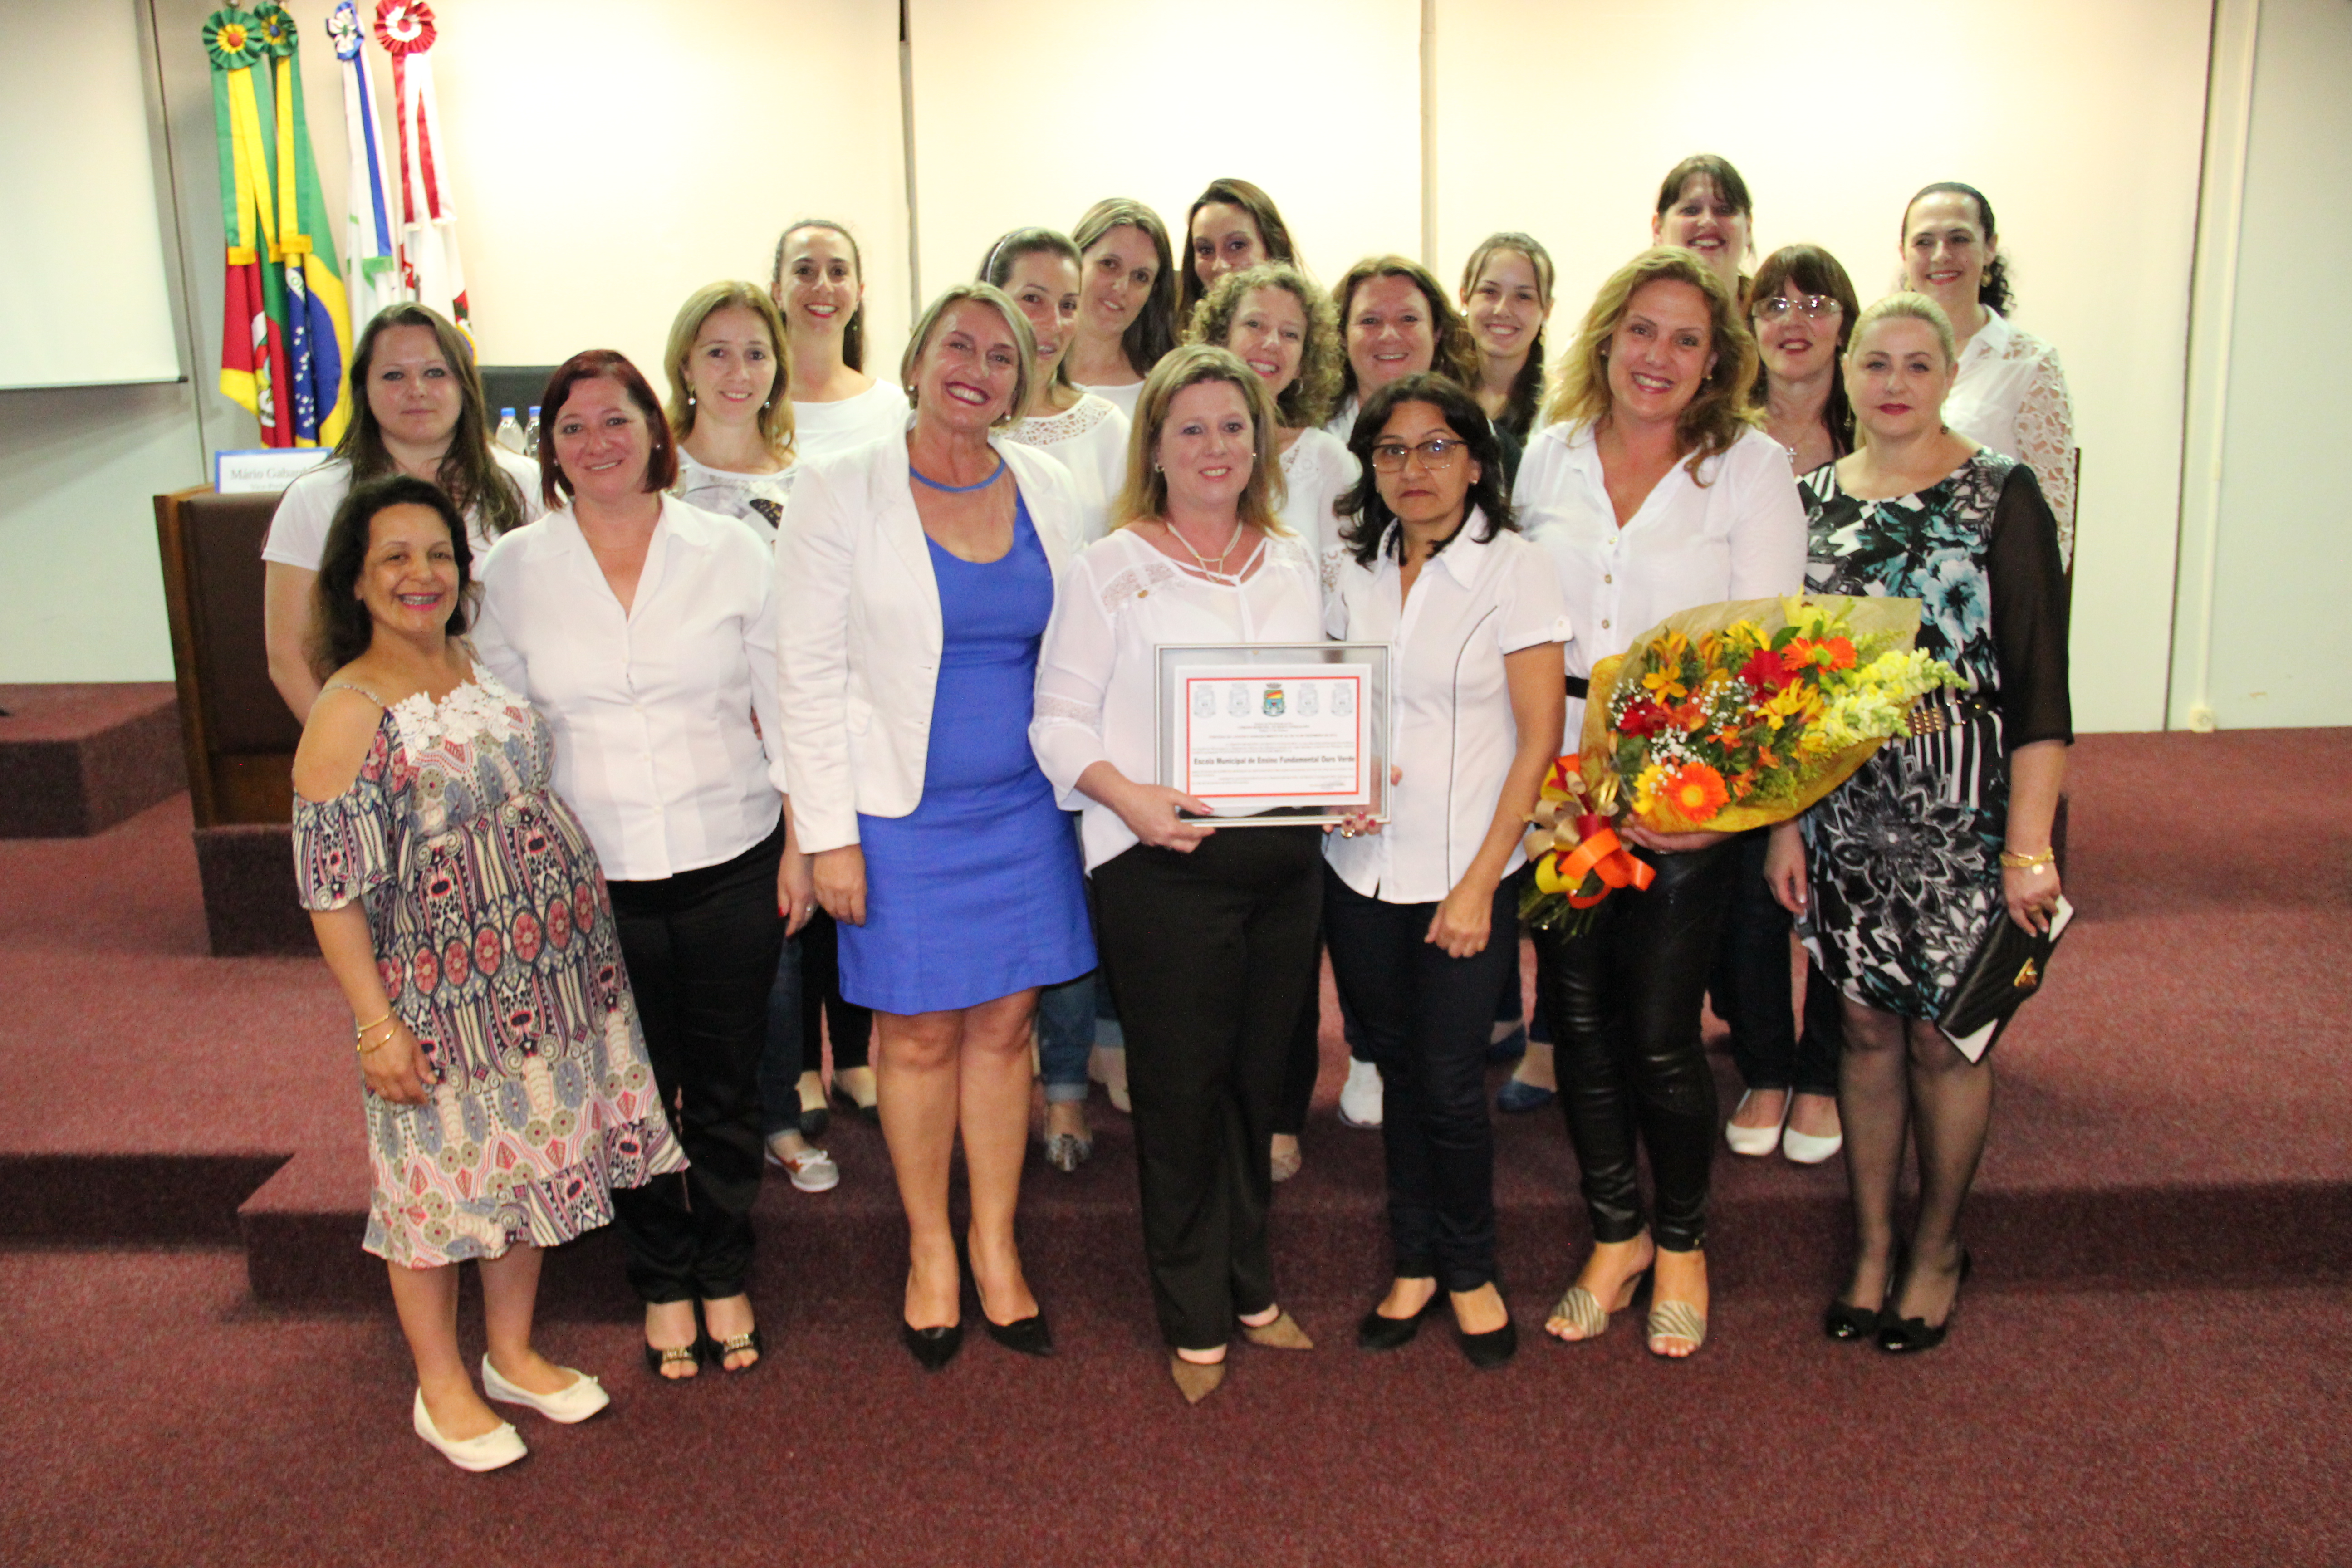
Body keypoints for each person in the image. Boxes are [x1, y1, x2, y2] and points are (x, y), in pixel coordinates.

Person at [291, 474, 681, 1470]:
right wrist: (377, 1027)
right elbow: (329, 890)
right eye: (395, 559)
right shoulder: (348, 708)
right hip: (438, 995)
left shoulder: (473, 663)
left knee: (532, 1164)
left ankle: (509, 1352)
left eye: (436, 555)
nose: (421, 575)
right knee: (435, 1190)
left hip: (547, 980)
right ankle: (440, 1383)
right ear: (356, 582)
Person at [473, 350, 811, 1381]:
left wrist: (804, 842)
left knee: (718, 1083)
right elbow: (504, 731)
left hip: (731, 854)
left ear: (653, 427)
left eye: (615, 420)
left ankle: (723, 1264)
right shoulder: (513, 570)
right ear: (550, 448)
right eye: (571, 428)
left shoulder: (733, 549)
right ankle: (661, 1274)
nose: (596, 443)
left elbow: (791, 702)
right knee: (626, 1091)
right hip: (589, 879)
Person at [777, 284, 1095, 1370]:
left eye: (1001, 355)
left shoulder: (1050, 484)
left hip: (1022, 809)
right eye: (956, 345)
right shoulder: (838, 491)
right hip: (893, 814)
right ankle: (929, 1251)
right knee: (913, 1033)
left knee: (1005, 1027)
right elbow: (802, 673)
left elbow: (1087, 647)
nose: (977, 367)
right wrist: (826, 834)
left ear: (1021, 381)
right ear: (913, 360)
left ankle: (996, 1245)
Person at [1513, 247, 1805, 1358]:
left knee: (1660, 1027)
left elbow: (1772, 652)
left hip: (1686, 771)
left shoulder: (1749, 468)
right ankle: (1615, 1230)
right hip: (1560, 772)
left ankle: (1682, 1237)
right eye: (1642, 329)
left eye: (1687, 339)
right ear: (1605, 335)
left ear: (1716, 359)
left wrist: (1723, 803)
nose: (1659, 356)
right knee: (1575, 1016)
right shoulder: (1544, 456)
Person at [1766, 293, 2071, 1353]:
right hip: (1844, 808)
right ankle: (1867, 1241)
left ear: (1947, 376)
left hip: (1968, 810)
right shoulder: (1803, 501)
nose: (1893, 382)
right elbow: (1785, 691)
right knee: (1855, 1024)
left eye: (1915, 363)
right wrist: (1781, 825)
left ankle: (1936, 1245)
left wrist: (2029, 847)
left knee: (1947, 1036)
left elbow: (2040, 689)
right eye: (1874, 364)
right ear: (1845, 377)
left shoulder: (2001, 493)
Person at [1031, 343, 1324, 1403]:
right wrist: (1127, 796)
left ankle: (1250, 1284)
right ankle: (1193, 1308)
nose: (1214, 447)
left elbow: (1313, 703)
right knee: (1179, 1092)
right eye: (1190, 427)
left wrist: (1351, 773)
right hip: (1163, 865)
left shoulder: (1291, 561)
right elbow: (1056, 723)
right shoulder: (1109, 565)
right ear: (1152, 444)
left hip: (1285, 863)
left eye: (1233, 426)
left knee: (1257, 1087)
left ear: (1260, 441)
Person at [1325, 374, 1568, 1371]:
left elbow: (1539, 740)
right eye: (1390, 451)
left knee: (1453, 1083)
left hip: (1463, 874)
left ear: (1476, 462)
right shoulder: (1354, 569)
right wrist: (1328, 788)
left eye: (1434, 449)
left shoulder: (1519, 571)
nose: (1412, 469)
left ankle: (1470, 1269)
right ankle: (1413, 1261)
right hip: (1358, 867)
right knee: (1390, 1069)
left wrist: (1480, 887)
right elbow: (1334, 707)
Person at [658, 281, 844, 1192]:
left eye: (757, 353)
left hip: (789, 747)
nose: (740, 372)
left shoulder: (810, 483)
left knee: (783, 940)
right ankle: (683, 1123)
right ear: (686, 366)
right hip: (685, 750)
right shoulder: (651, 479)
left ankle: (776, 1112)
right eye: (719, 352)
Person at [1191, 261, 1356, 1179]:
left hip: (1297, 727)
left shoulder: (1328, 461)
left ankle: (1282, 1109)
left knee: (1289, 935)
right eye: (1255, 325)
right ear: (1219, 330)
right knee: (1207, 938)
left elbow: (1349, 598)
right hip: (1193, 731)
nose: (1271, 346)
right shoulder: (1182, 437)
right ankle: (1209, 1103)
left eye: (1291, 333)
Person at [980, 227, 1135, 1169]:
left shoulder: (1107, 431)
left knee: (1067, 894)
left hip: (1078, 690)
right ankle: (996, 1068)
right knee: (1008, 894)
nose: (1050, 322)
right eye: (1031, 298)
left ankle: (1067, 1088)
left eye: (1065, 302)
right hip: (980, 692)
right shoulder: (962, 421)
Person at [1714, 243, 1866, 1165]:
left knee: (1841, 896)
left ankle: (1823, 1073)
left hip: (1855, 710)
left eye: (1816, 302)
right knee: (1751, 902)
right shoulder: (1725, 439)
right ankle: (1767, 1065)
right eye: (1774, 305)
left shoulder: (1878, 433)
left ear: (1844, 322)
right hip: (1750, 706)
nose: (1794, 321)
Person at [263, 302, 539, 720]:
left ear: (465, 384)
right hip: (380, 740)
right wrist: (352, 753)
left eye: (435, 372)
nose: (417, 390)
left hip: (517, 731)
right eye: (394, 376)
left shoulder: (527, 484)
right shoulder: (315, 497)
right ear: (364, 389)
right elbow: (288, 656)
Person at [1899, 182, 2079, 568]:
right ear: (1903, 254)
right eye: (1924, 242)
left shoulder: (2030, 364)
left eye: (1959, 239)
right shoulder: (1876, 359)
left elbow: (2054, 525)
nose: (1941, 255)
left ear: (1990, 247)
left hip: (1984, 594)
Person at [1324, 257, 1485, 471]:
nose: (1389, 335)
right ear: (1342, 336)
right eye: (1370, 321)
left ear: (1437, 333)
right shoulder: (1309, 440)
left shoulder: (1475, 434)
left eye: (1408, 319)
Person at [773, 218, 911, 462]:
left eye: (838, 272)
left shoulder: (896, 411)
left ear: (859, 292)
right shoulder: (749, 405)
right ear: (778, 293)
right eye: (805, 271)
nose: (823, 286)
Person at [1067, 199, 1180, 419]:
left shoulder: (1165, 394)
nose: (1121, 287)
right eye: (1109, 264)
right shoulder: (1021, 374)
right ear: (1076, 261)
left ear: (1153, 291)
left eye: (1140, 277)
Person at [1459, 232, 1557, 443]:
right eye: (1490, 292)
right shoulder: (1435, 398)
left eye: (1523, 297)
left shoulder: (1563, 410)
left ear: (1547, 310)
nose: (1502, 310)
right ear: (1465, 298)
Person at [1178, 177, 1299, 324]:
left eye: (1237, 246)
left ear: (1273, 248)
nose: (1220, 266)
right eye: (1205, 249)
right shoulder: (1175, 340)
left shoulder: (1307, 341)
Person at [1651, 153, 1755, 305]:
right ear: (1658, 230)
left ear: (1748, 228)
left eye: (1724, 210)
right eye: (1691, 210)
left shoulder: (1775, 322)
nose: (1708, 221)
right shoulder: (1630, 315)